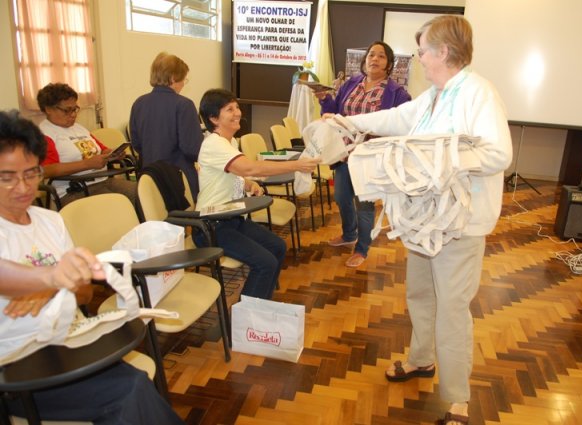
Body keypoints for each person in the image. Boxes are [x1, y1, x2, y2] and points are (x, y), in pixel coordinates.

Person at [325, 17, 512, 425]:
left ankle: (458, 400)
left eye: (424, 50)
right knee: (420, 297)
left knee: (452, 309)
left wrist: (438, 162)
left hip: (458, 225)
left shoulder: (479, 93)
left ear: (443, 52)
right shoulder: (435, 95)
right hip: (424, 219)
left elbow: (499, 155)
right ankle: (421, 360)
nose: (420, 58)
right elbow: (397, 118)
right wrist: (348, 122)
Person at [0, 110, 184, 424]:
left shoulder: (50, 221)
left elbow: (84, 296)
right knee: (130, 391)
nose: (22, 187)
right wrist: (52, 278)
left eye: (32, 173)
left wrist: (51, 288)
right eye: (7, 177)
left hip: (68, 346)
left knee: (133, 388)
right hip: (16, 368)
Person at [196, 89, 319, 299]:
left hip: (231, 218)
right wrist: (297, 165)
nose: (237, 113)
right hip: (211, 225)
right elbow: (249, 167)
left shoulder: (230, 142)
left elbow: (233, 174)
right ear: (214, 118)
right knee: (265, 263)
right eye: (229, 109)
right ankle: (247, 318)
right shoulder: (214, 144)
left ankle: (261, 304)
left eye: (236, 107)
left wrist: (247, 183)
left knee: (278, 247)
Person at [316, 41, 411, 268]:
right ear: (365, 59)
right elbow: (335, 114)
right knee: (341, 197)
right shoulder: (352, 83)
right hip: (344, 153)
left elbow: (402, 122)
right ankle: (349, 234)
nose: (374, 59)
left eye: (380, 56)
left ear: (389, 65)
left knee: (365, 204)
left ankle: (362, 249)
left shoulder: (396, 93)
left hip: (370, 158)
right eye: (371, 55)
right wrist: (324, 99)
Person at [37, 83, 137, 207]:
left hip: (103, 180)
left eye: (75, 109)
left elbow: (102, 150)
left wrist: (113, 154)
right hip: (74, 190)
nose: (73, 114)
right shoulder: (44, 133)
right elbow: (47, 170)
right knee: (116, 206)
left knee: (143, 195)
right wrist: (87, 164)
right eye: (67, 110)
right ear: (48, 109)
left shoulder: (79, 128)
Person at [129, 52, 203, 197]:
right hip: (179, 179)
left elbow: (136, 143)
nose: (183, 84)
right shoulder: (184, 105)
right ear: (173, 78)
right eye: (184, 79)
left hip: (150, 177)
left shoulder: (139, 103)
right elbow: (192, 148)